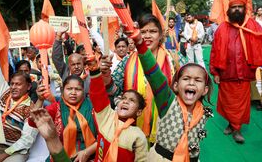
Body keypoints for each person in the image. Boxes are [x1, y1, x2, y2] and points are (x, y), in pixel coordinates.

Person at [126, 30, 212, 161]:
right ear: (176, 86)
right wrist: (140, 43)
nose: (191, 83)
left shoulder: (203, 111)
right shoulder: (167, 102)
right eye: (186, 78)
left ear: (205, 90)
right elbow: (154, 75)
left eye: (198, 80)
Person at [209, 0, 262, 143]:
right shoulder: (222, 28)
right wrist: (215, 73)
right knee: (227, 103)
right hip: (227, 73)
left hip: (244, 73)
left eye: (240, 7)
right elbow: (214, 52)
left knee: (241, 104)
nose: (237, 10)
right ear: (229, 10)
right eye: (234, 7)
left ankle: (236, 129)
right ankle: (232, 124)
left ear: (245, 9)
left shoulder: (253, 26)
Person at [111, 14, 178, 142]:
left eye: (152, 31)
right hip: (132, 128)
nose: (147, 36)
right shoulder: (128, 60)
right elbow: (114, 90)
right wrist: (104, 75)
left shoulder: (174, 59)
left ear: (161, 35)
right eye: (143, 32)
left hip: (165, 127)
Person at [0, 22, 37, 161]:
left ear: (28, 86)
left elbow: (26, 140)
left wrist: (2, 156)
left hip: (15, 150)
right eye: (12, 84)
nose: (14, 87)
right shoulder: (5, 93)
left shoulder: (31, 109)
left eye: (18, 84)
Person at [90, 56, 148, 161]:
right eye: (124, 98)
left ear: (139, 112)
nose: (125, 101)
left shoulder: (138, 137)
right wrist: (95, 71)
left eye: (132, 100)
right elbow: (98, 95)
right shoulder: (108, 116)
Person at [33, 75, 97, 161]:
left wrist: (86, 152)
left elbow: (104, 136)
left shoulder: (93, 108)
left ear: (83, 91)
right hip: (59, 156)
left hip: (89, 156)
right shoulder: (56, 108)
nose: (73, 92)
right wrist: (40, 100)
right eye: (69, 89)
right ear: (62, 90)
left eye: (78, 89)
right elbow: (34, 121)